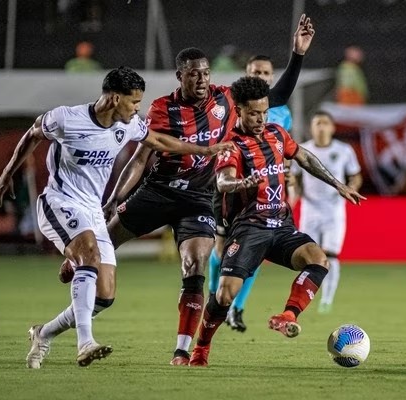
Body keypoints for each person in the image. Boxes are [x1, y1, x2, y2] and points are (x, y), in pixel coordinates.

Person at [60, 14, 314, 366]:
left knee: (194, 264)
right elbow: (139, 158)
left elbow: (277, 96)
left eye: (206, 72)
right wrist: (114, 200)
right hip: (158, 190)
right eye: (193, 73)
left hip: (198, 198)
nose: (201, 79)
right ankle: (74, 266)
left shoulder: (225, 100)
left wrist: (297, 55)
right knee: (103, 244)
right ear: (180, 76)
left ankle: (182, 349)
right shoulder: (162, 109)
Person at [0, 66, 233, 369]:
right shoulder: (67, 118)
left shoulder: (129, 125)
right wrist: (7, 173)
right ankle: (85, 343)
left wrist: (206, 150)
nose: (138, 109)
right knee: (89, 256)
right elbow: (33, 133)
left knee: (104, 296)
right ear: (115, 98)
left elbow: (160, 142)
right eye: (134, 102)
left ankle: (44, 332)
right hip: (60, 202)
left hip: (92, 211)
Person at [189, 76, 366, 366]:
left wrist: (338, 184)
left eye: (264, 112)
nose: (260, 119)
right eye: (253, 113)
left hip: (281, 226)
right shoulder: (231, 144)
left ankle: (287, 316)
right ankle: (201, 348)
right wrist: (244, 182)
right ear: (240, 111)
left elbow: (305, 157)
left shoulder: (277, 134)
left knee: (318, 259)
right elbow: (223, 181)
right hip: (249, 229)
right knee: (223, 296)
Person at [209, 54, 294, 332]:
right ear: (247, 73)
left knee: (256, 253)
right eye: (255, 71)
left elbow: (286, 150)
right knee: (221, 249)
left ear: (271, 76)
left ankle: (237, 308)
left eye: (266, 72)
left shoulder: (280, 112)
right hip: (231, 188)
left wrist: (287, 176)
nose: (261, 76)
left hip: (263, 193)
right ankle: (216, 299)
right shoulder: (236, 104)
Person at [290, 110, 362, 313]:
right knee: (309, 256)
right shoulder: (303, 149)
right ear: (311, 128)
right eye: (317, 123)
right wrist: (292, 194)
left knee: (331, 255)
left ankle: (327, 300)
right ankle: (306, 296)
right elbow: (293, 177)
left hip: (333, 210)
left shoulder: (344, 150)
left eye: (324, 123)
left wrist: (351, 187)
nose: (320, 127)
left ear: (332, 127)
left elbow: (355, 175)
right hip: (310, 209)